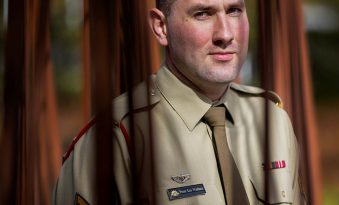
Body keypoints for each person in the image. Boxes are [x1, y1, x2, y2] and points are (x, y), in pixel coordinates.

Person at [53, 0, 305, 204]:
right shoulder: (116, 136)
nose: (225, 34)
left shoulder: (271, 119)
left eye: (234, 10)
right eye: (203, 14)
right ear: (161, 27)